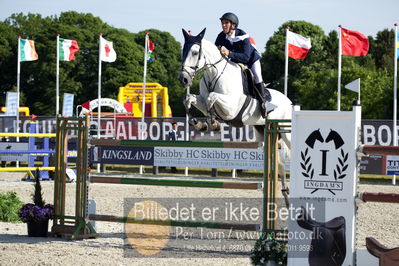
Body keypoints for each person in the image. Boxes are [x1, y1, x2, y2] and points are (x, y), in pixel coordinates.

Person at [215, 12, 271, 117]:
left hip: (251, 60)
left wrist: (229, 53)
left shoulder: (243, 36)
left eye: (226, 23)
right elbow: (216, 49)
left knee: (257, 77)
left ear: (233, 25)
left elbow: (246, 57)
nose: (223, 25)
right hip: (235, 61)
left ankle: (263, 104)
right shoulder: (221, 36)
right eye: (222, 23)